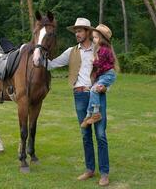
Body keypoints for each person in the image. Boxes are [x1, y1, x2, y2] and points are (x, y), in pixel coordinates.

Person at [48, 18, 110, 186]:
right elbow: (52, 64)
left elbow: (108, 71)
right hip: (80, 96)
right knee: (85, 135)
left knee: (100, 135)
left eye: (80, 31)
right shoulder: (71, 51)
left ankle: (104, 173)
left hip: (96, 95)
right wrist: (36, 53)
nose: (77, 34)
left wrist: (104, 87)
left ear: (88, 32)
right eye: (75, 31)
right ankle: (90, 169)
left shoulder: (100, 50)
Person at [80, 24, 116, 128]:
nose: (93, 39)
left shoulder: (104, 50)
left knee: (94, 90)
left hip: (107, 75)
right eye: (93, 37)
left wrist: (93, 61)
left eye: (96, 37)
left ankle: (95, 113)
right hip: (103, 75)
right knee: (93, 91)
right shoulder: (100, 49)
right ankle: (89, 114)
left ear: (102, 39)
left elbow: (99, 64)